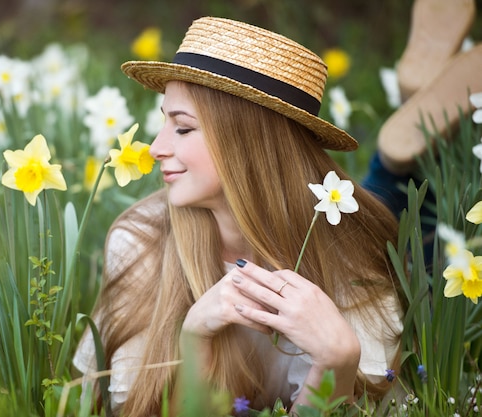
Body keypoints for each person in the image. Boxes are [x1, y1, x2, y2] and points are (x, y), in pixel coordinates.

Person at [73, 16, 405, 416]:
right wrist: (195, 340)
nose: (155, 147)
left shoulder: (347, 250)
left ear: (246, 143)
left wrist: (336, 363)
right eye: (164, 122)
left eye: (182, 128)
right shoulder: (142, 240)